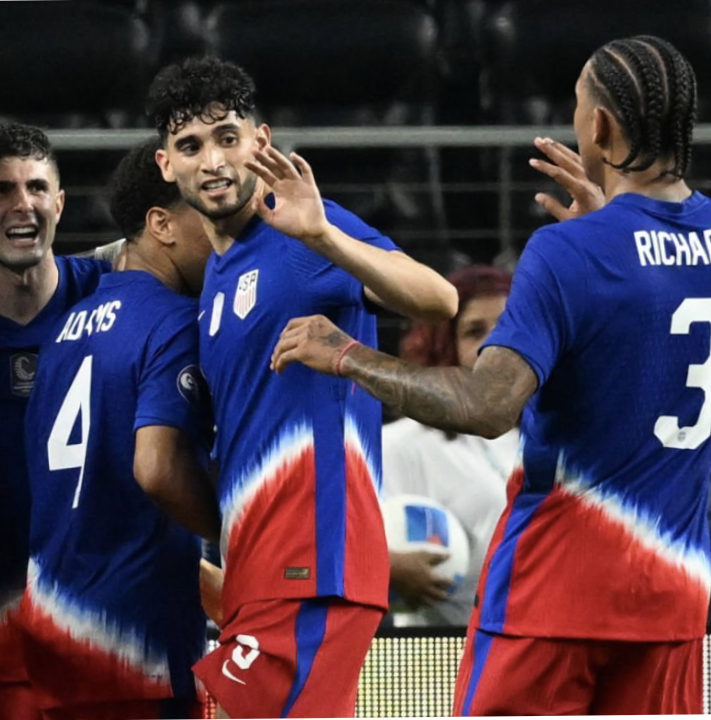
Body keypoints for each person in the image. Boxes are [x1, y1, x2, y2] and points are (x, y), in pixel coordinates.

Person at [270, 35, 711, 715]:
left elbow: (486, 406)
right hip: (675, 599)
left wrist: (346, 354)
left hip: (555, 594)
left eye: (576, 106)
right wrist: (612, 237)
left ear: (599, 127)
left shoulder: (569, 250)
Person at [146, 56, 458, 718]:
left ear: (261, 141)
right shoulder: (214, 286)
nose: (213, 161)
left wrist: (323, 234)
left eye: (228, 137)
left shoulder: (304, 230)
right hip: (256, 570)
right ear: (165, 165)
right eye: (190, 146)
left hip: (316, 562)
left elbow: (439, 299)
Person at [19, 139, 221, 720]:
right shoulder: (179, 321)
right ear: (161, 224)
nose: (227, 235)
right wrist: (235, 537)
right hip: (137, 636)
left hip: (54, 625)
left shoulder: (62, 329)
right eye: (205, 216)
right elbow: (155, 469)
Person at [0, 122, 112, 720]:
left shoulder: (114, 301)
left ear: (60, 202)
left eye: (37, 187)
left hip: (101, 637)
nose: (23, 205)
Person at [382, 265, 517, 627]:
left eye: (505, 326)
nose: (494, 343)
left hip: (538, 639)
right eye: (475, 331)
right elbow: (343, 538)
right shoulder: (401, 444)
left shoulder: (547, 435)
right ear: (444, 345)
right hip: (434, 651)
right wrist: (387, 565)